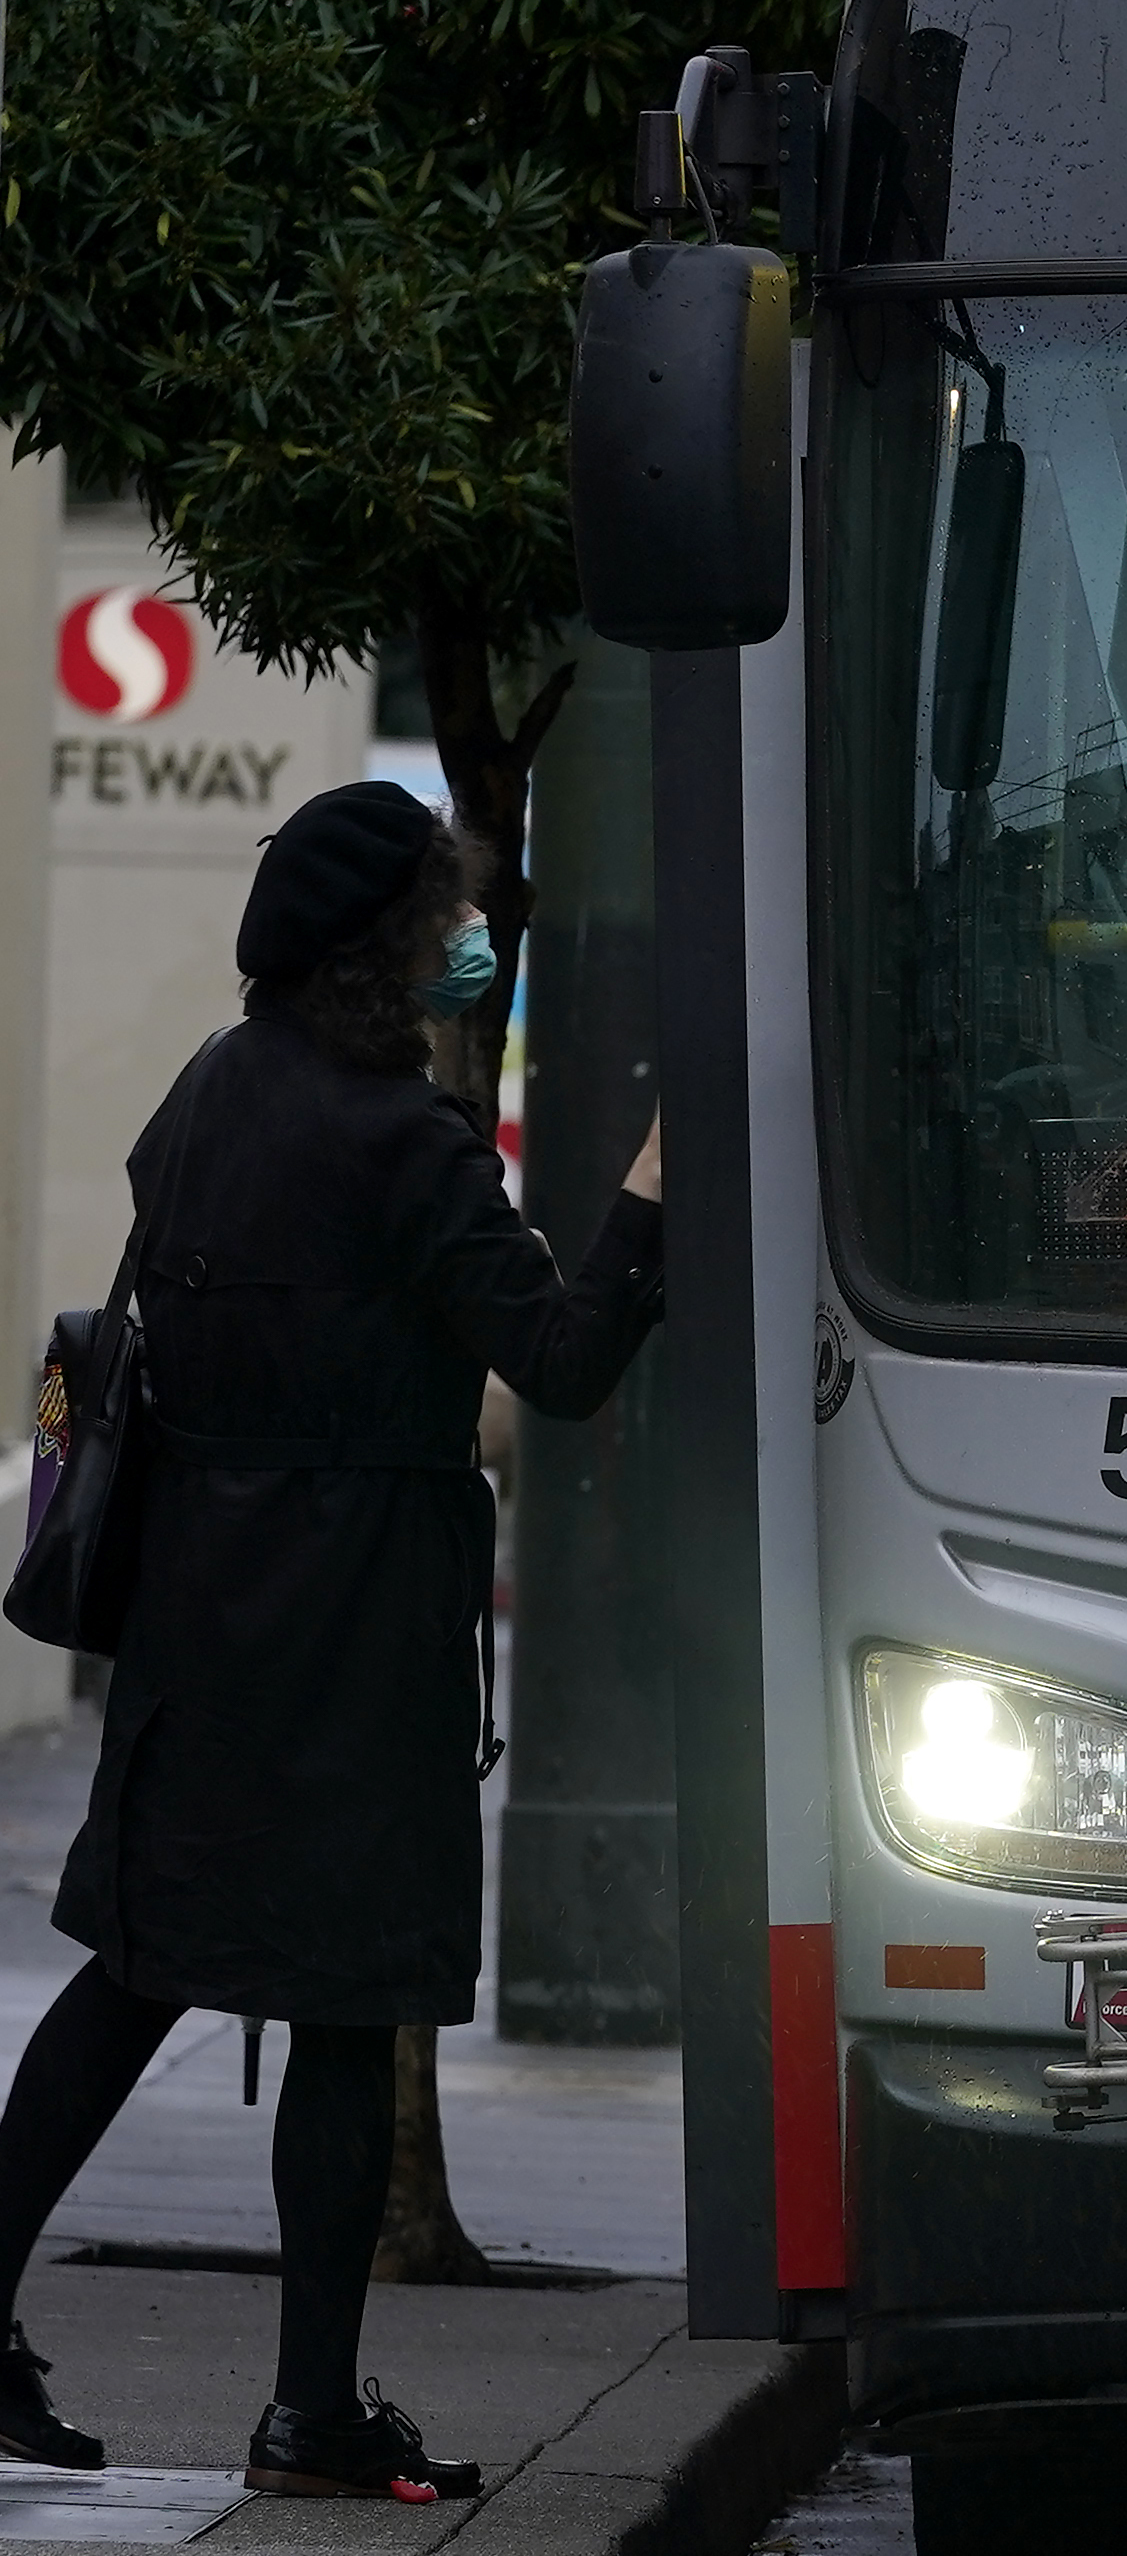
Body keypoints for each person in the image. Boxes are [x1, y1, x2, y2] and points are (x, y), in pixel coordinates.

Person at [0, 784, 664, 2499]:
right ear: (383, 948)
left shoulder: (213, 1090)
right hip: (360, 1627)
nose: (471, 933)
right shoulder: (407, 1145)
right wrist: (653, 1196)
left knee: (135, 1970)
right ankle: (309, 2414)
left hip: (198, 1611)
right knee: (349, 2012)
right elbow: (564, 1358)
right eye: (445, 908)